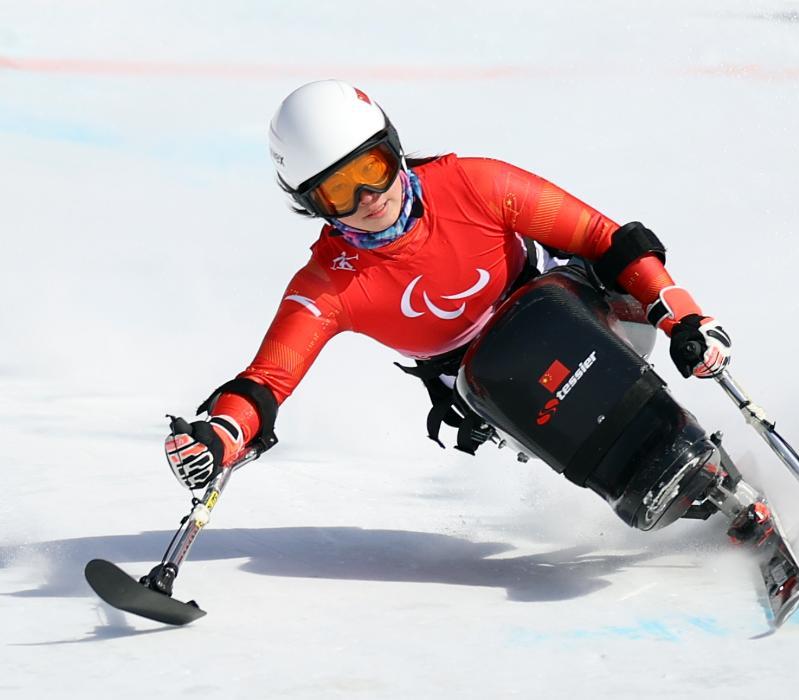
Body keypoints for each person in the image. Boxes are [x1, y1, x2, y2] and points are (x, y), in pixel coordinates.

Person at [163, 79, 732, 500]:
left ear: (394, 147)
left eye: (375, 166)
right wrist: (222, 433)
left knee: (542, 322)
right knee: (505, 370)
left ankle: (701, 459)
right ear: (313, 205)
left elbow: (606, 238)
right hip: (490, 384)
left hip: (577, 305)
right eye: (340, 190)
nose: (369, 197)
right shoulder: (328, 284)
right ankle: (678, 496)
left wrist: (682, 318)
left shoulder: (471, 183)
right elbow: (265, 382)